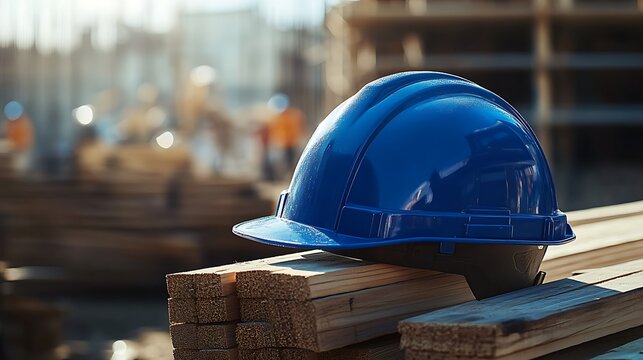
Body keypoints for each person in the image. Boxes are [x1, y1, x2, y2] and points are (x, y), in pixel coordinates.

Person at [267, 94, 306, 179]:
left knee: (292, 161)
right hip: (281, 144)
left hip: (292, 143)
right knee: (282, 162)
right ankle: (283, 177)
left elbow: (300, 128)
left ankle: (291, 177)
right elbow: (273, 131)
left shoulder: (293, 115)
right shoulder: (276, 118)